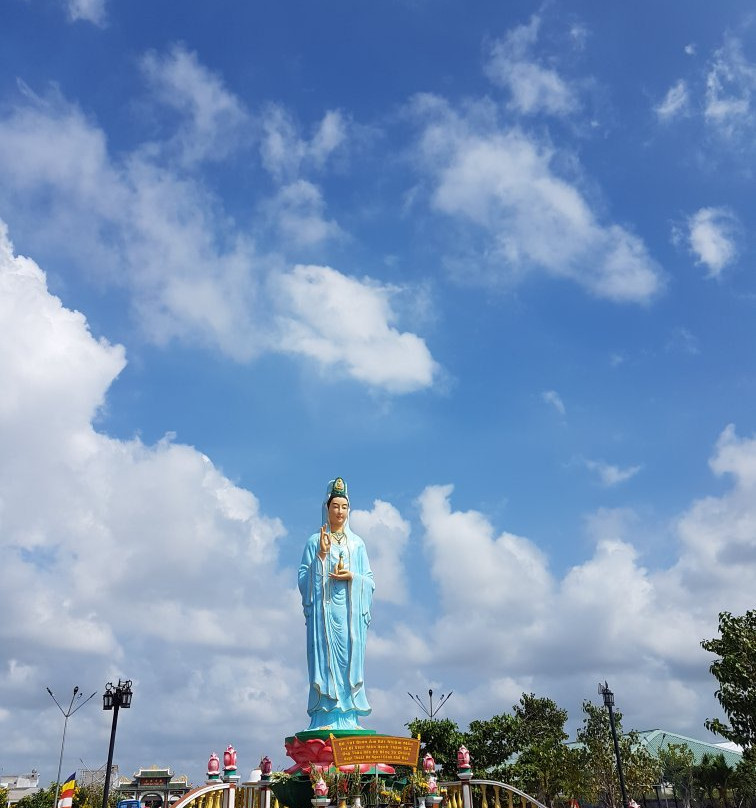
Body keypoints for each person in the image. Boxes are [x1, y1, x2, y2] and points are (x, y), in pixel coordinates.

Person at [298, 477, 374, 730]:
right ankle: (325, 715)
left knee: (348, 662)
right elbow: (302, 580)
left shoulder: (357, 544)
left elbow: (370, 581)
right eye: (335, 506)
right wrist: (320, 555)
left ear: (348, 510)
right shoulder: (314, 541)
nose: (339, 512)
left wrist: (353, 576)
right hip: (323, 616)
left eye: (344, 507)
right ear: (327, 509)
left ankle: (348, 715)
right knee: (325, 661)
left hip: (350, 616)